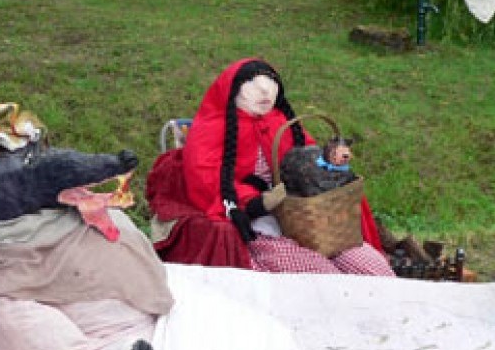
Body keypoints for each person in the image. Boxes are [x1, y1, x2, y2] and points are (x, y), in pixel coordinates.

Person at [149, 58, 393, 276]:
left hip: (305, 216)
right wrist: (256, 202)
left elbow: (309, 158)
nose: (265, 91)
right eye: (253, 85)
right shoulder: (211, 128)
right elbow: (206, 179)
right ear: (233, 90)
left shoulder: (280, 121)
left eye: (270, 84)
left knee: (372, 268)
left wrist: (326, 172)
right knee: (319, 273)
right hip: (256, 218)